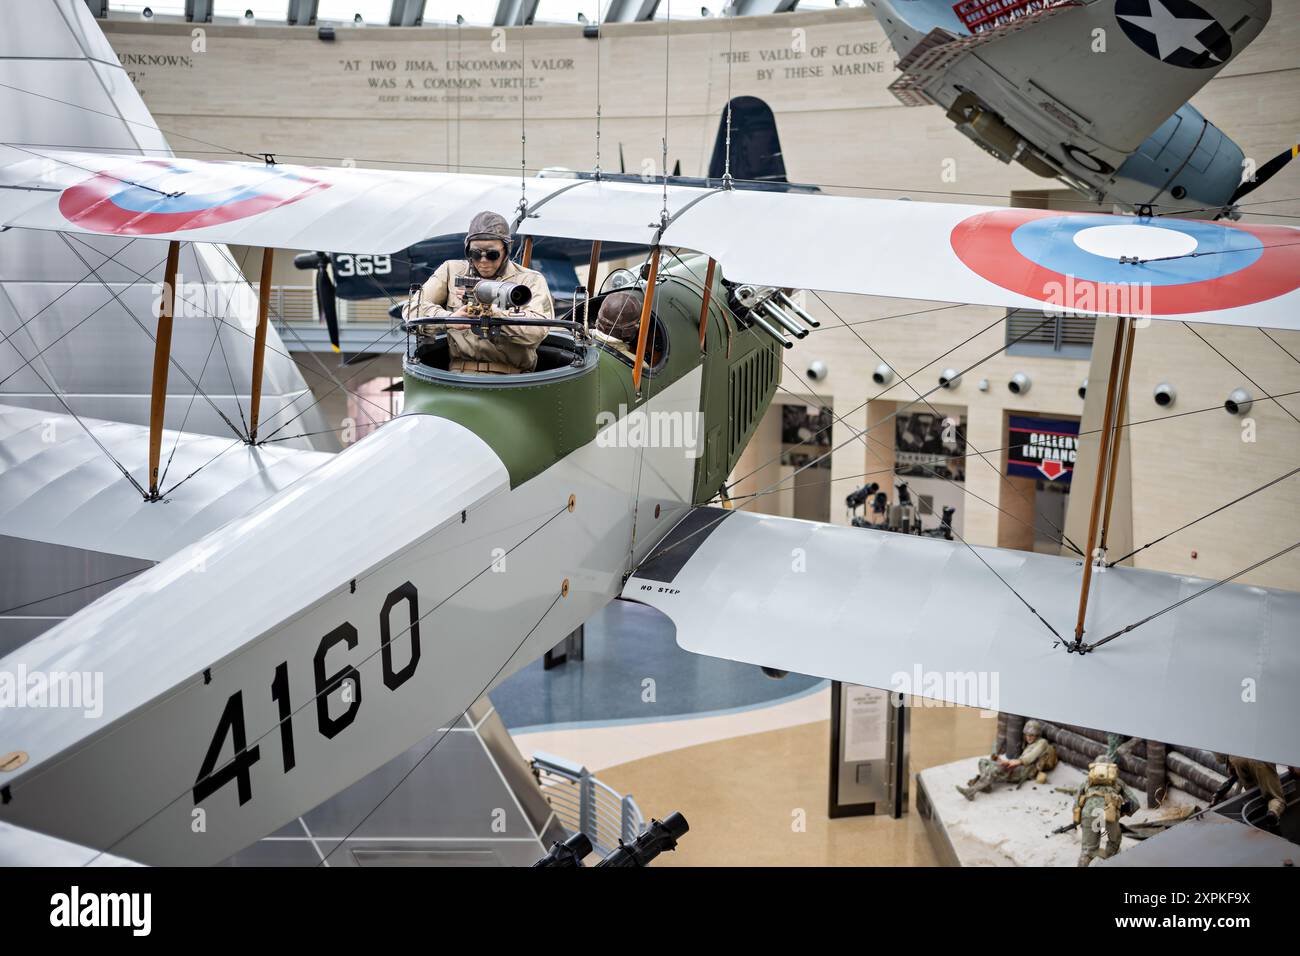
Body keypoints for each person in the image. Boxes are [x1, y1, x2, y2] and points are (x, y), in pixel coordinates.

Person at [402, 210, 554, 374]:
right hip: (460, 376)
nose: (483, 261)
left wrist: (493, 312)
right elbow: (411, 309)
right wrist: (448, 319)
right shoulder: (451, 271)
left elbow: (538, 330)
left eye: (492, 254)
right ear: (467, 250)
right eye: (475, 254)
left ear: (506, 250)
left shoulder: (529, 280)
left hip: (512, 379)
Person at [956, 719, 1057, 800]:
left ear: (1037, 735)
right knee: (983, 762)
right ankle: (986, 786)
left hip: (1025, 771)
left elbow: (1031, 757)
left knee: (994, 769)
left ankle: (971, 792)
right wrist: (1002, 761)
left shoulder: (1042, 743)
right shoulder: (1029, 744)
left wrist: (1018, 761)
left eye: (1032, 735)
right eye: (1027, 734)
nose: (1029, 737)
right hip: (1018, 765)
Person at [1072, 760, 1140, 867]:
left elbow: (1076, 803)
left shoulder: (1088, 781)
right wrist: (1120, 811)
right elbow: (1135, 804)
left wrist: (1078, 820)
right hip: (1110, 813)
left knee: (1087, 851)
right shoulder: (1118, 782)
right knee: (1114, 843)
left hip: (1088, 813)